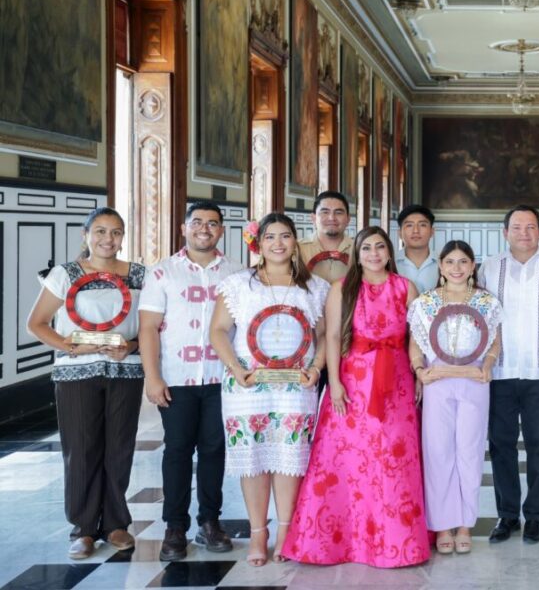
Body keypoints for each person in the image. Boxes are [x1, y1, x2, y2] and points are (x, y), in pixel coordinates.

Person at [281, 226, 430, 567]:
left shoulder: (406, 287)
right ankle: (343, 540)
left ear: (390, 252)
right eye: (367, 249)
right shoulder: (342, 289)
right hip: (355, 378)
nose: (374, 254)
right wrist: (334, 382)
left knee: (393, 457)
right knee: (348, 458)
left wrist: (418, 370)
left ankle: (395, 541)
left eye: (380, 247)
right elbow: (332, 336)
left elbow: (416, 335)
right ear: (357, 255)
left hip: (397, 380)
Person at [209, 213, 328, 566]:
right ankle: (258, 534)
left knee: (289, 458)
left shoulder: (315, 287)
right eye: (270, 237)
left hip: (295, 385)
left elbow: (323, 337)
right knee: (255, 459)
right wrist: (237, 369)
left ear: (295, 242)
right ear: (258, 244)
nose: (278, 243)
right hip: (249, 384)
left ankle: (286, 532)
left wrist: (316, 368)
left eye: (285, 236)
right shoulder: (238, 285)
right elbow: (218, 331)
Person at [26, 207, 145, 560]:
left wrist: (133, 346)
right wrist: (70, 347)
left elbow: (152, 325)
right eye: (101, 231)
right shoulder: (65, 275)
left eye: (116, 232)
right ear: (86, 235)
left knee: (119, 447)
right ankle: (82, 529)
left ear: (123, 237)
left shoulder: (140, 275)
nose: (108, 239)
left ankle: (116, 523)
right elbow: (37, 323)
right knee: (81, 448)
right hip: (77, 372)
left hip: (126, 369)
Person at [139, 202, 245, 561]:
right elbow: (149, 328)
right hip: (177, 379)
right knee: (178, 451)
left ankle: (210, 521)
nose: (205, 228)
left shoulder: (237, 273)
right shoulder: (161, 273)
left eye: (212, 223)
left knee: (215, 451)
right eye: (197, 222)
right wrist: (153, 377)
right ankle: (174, 527)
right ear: (184, 228)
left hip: (221, 378)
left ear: (221, 231)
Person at [479, 205, 539, 545]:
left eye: (531, 227)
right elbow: (478, 320)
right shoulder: (489, 269)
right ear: (505, 231)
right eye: (517, 227)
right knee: (501, 446)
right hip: (500, 374)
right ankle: (507, 516)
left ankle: (534, 516)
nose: (524, 233)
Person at [408, 240, 503, 555]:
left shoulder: (486, 302)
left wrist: (488, 365)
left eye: (463, 262)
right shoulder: (426, 303)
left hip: (474, 381)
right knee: (438, 453)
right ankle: (444, 526)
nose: (457, 268)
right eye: (450, 262)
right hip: (438, 381)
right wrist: (420, 370)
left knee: (470, 451)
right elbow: (415, 345)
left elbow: (494, 345)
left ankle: (465, 524)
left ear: (473, 266)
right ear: (441, 265)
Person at [299, 191, 353, 284]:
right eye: (325, 212)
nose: (332, 218)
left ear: (348, 219)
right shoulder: (297, 249)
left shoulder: (360, 249)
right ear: (313, 218)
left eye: (338, 212)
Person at [395, 204, 439, 294]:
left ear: (432, 231)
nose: (416, 230)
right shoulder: (390, 264)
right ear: (399, 233)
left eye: (422, 225)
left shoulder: (444, 263)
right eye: (409, 225)